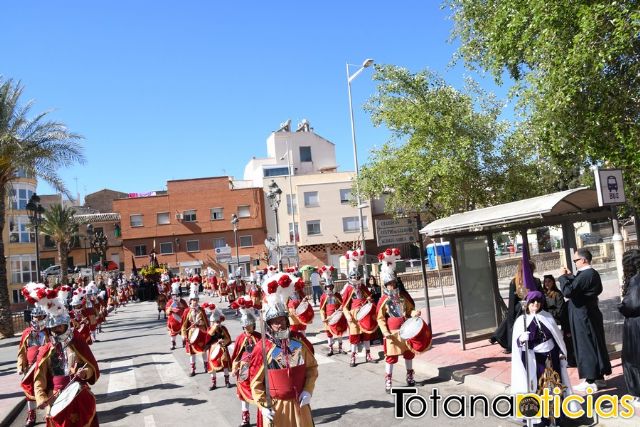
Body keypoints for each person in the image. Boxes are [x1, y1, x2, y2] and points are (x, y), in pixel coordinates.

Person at [249, 272, 318, 427]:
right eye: (275, 322)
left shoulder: (297, 343)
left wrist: (308, 390)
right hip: (276, 407)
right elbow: (256, 383)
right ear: (269, 325)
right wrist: (263, 405)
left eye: (282, 320)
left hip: (299, 404)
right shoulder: (263, 348)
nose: (279, 324)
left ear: (287, 321)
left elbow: (311, 369)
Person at [33, 290, 100, 427]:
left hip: (78, 393)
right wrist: (41, 398)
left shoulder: (77, 343)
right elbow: (39, 378)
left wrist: (85, 372)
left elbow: (91, 367)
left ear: (66, 326)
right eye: (54, 327)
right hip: (56, 397)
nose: (57, 329)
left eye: (60, 326)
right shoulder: (46, 350)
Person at [511, 290, 578, 425]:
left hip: (551, 357)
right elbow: (516, 344)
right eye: (533, 302)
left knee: (554, 386)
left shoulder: (546, 316)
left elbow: (557, 336)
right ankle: (540, 418)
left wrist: (560, 352)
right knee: (538, 387)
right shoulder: (521, 321)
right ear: (527, 303)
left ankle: (556, 417)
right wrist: (521, 339)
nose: (536, 304)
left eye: (538, 302)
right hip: (534, 359)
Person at [558, 248, 611, 392]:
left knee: (585, 346)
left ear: (583, 260)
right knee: (594, 344)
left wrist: (563, 277)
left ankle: (590, 380)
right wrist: (570, 276)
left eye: (576, 260)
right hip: (588, 314)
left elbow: (568, 291)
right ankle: (599, 378)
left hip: (583, 316)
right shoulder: (590, 274)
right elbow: (577, 286)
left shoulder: (586, 274)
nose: (575, 263)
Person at [377, 251, 418, 392]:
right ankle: (388, 379)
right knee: (391, 357)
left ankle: (410, 375)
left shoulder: (403, 297)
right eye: (389, 284)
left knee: (408, 353)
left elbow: (409, 311)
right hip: (392, 333)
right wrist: (385, 332)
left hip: (405, 330)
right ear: (385, 285)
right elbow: (380, 318)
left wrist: (414, 313)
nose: (392, 286)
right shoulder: (383, 300)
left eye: (393, 284)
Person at [490, 259, 542, 353]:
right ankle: (509, 343)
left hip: (534, 308)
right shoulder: (515, 282)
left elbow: (540, 297)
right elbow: (512, 301)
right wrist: (511, 316)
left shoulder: (536, 281)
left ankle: (497, 336)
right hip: (519, 309)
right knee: (512, 319)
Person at [17, 284, 51, 427]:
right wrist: (20, 366)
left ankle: (50, 413)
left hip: (46, 366)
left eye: (40, 316)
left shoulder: (49, 331)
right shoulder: (26, 332)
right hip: (30, 367)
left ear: (44, 316)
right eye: (35, 317)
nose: (37, 319)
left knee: (48, 389)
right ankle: (32, 415)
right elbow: (22, 351)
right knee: (30, 392)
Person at [231, 301, 261, 427]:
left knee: (260, 391)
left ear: (253, 325)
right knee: (243, 393)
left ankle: (263, 415)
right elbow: (236, 356)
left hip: (257, 368)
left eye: (249, 326)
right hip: (244, 368)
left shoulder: (259, 337)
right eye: (245, 326)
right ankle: (245, 418)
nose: (247, 328)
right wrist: (235, 367)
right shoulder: (240, 338)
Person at [618, 249, 640, 404]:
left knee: (633, 358)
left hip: (636, 324)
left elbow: (631, 305)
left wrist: (621, 306)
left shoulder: (635, 281)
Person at [542, 274, 575, 367]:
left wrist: (549, 314)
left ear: (553, 282)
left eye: (549, 281)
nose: (547, 283)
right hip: (546, 322)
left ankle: (564, 361)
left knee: (559, 342)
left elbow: (560, 310)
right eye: (546, 281)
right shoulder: (543, 294)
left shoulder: (558, 294)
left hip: (557, 322)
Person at [181, 284, 210, 376]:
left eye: (196, 300)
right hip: (191, 333)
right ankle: (193, 369)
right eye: (193, 300)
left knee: (203, 350)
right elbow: (184, 324)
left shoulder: (202, 310)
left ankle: (206, 366)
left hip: (201, 332)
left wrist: (205, 328)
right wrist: (184, 334)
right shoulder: (187, 311)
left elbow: (206, 322)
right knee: (192, 352)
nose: (195, 302)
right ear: (190, 301)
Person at [206, 306, 232, 390]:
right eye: (214, 322)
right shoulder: (209, 329)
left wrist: (223, 340)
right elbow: (207, 339)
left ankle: (227, 381)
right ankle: (214, 383)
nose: (216, 323)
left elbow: (228, 339)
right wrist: (213, 329)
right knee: (212, 366)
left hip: (222, 348)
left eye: (217, 321)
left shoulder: (223, 328)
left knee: (224, 364)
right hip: (213, 348)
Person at [319, 276, 345, 356]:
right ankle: (331, 349)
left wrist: (341, 307)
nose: (329, 288)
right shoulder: (323, 296)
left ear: (333, 286)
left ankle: (340, 348)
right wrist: (323, 318)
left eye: (330, 286)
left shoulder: (337, 295)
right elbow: (322, 309)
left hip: (337, 317)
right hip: (328, 318)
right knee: (329, 333)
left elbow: (342, 304)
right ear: (325, 287)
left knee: (339, 332)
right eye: (327, 287)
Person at [166, 281, 188, 350]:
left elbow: (187, 309)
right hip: (173, 319)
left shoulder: (183, 301)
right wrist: (170, 308)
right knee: (173, 332)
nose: (175, 296)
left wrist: (180, 305)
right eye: (174, 295)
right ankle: (173, 344)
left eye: (177, 295)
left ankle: (184, 343)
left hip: (182, 319)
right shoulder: (170, 301)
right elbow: (167, 312)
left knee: (183, 331)